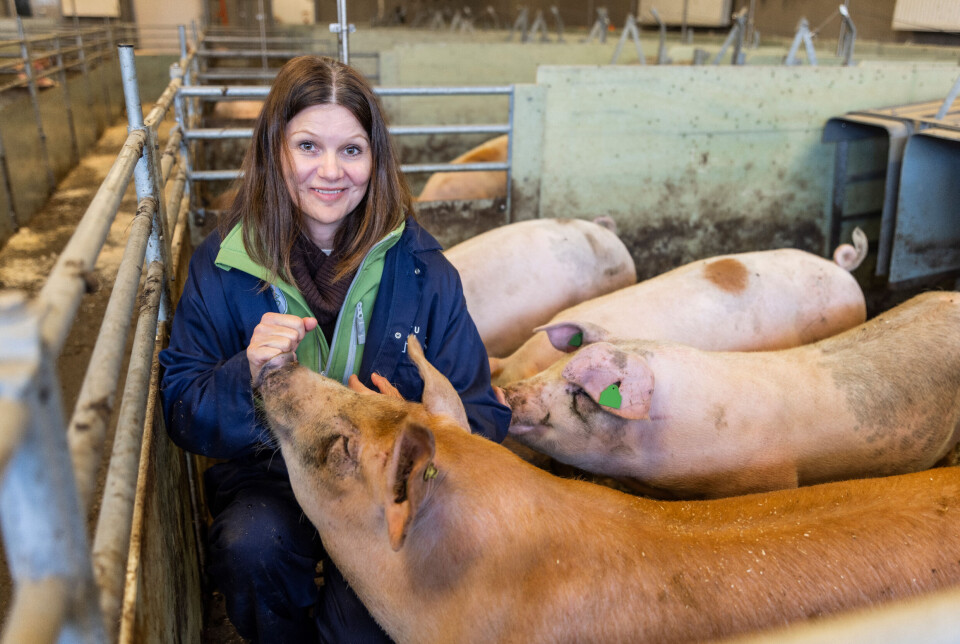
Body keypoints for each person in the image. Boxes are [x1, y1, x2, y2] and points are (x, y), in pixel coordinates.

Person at [159, 55, 510, 643]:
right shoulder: (222, 265)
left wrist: (426, 424)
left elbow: (483, 411)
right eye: (307, 147)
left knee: (362, 625)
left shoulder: (424, 271)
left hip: (385, 486)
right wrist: (246, 371)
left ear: (376, 160)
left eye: (351, 150)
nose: (330, 171)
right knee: (251, 549)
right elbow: (180, 405)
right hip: (271, 475)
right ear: (275, 151)